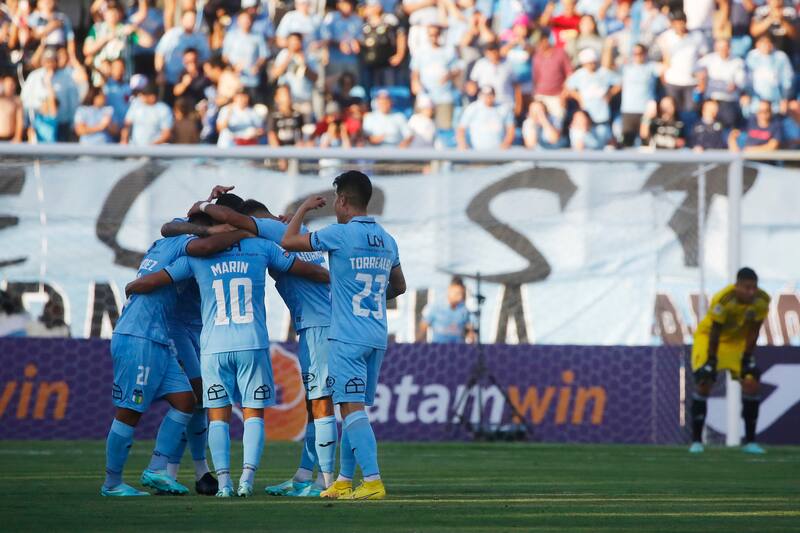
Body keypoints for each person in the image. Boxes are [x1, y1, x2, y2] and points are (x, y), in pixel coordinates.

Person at [128, 203, 328, 498]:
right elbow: (306, 269)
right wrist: (336, 277)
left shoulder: (196, 255)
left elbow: (158, 278)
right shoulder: (262, 247)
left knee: (216, 416)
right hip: (253, 342)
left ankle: (223, 483)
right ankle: (247, 480)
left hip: (213, 346)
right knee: (253, 414)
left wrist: (136, 284)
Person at [191, 197, 338, 498]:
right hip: (317, 323)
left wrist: (203, 204)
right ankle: (303, 477)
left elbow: (225, 219)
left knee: (321, 404)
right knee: (315, 404)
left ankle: (325, 481)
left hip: (319, 325)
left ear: (249, 220)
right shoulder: (289, 230)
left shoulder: (267, 230)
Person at [281, 170, 406, 500]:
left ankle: (374, 481)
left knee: (350, 410)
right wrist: (371, 296)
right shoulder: (388, 239)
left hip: (347, 337)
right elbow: (400, 286)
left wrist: (303, 209)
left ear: (343, 201)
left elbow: (288, 242)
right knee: (354, 410)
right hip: (376, 335)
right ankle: (344, 480)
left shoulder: (339, 234)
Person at [101, 221, 249, 496]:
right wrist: (245, 231)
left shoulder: (163, 243)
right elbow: (202, 243)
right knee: (130, 412)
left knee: (186, 400)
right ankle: (112, 483)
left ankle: (158, 469)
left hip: (159, 338)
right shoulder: (185, 244)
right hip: (139, 336)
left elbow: (172, 228)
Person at [689, 267, 770, 455]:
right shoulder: (724, 299)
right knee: (704, 381)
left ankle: (750, 442)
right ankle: (696, 441)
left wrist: (748, 356)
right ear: (737, 286)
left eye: (754, 287)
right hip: (710, 339)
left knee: (751, 383)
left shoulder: (762, 300)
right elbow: (716, 330)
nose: (751, 292)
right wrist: (711, 360)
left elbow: (755, 330)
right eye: (747, 287)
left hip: (736, 343)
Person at [565, 48, 620, 145]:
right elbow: (568, 87)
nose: (591, 65)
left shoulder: (603, 72)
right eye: (588, 63)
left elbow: (619, 83)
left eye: (593, 62)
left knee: (605, 142)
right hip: (586, 121)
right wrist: (579, 97)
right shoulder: (579, 75)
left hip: (601, 119)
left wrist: (610, 94)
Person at [155, 9, 211, 103]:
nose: (190, 22)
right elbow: (160, 54)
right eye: (188, 19)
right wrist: (160, 73)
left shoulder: (200, 37)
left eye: (193, 19)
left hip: (190, 80)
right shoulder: (171, 35)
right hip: (170, 78)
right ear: (182, 20)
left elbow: (206, 58)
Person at [410, 25, 459, 129]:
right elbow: (415, 72)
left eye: (436, 34)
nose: (433, 37)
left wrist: (448, 75)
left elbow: (457, 69)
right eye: (431, 35)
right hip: (425, 97)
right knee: (421, 128)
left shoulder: (448, 51)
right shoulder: (420, 52)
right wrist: (415, 83)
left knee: (444, 128)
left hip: (444, 96)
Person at [658, 11, 707, 114]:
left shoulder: (697, 37)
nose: (679, 25)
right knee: (673, 112)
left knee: (690, 113)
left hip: (691, 82)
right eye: (676, 22)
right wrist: (663, 76)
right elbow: (664, 59)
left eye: (681, 22)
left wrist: (702, 79)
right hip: (672, 81)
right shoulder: (666, 37)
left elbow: (703, 59)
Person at [697, 38, 746, 129]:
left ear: (729, 48)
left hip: (728, 100)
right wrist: (701, 76)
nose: (722, 50)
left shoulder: (737, 62)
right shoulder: (709, 59)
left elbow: (741, 82)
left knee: (727, 126)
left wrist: (735, 86)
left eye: (725, 47)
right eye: (720, 48)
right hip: (711, 99)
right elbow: (695, 69)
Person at [222, 9, 269, 101]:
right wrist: (233, 67)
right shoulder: (231, 35)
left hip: (252, 80)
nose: (245, 22)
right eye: (242, 20)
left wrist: (257, 66)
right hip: (235, 81)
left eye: (247, 19)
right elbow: (225, 57)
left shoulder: (258, 36)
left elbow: (264, 55)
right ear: (238, 21)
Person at [270, 32, 319, 120]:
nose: (294, 43)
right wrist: (288, 59)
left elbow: (315, 78)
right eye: (292, 41)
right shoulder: (283, 54)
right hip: (286, 101)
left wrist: (304, 63)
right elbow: (275, 74)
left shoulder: (308, 55)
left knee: (305, 127)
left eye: (297, 41)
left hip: (304, 100)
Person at [620, 43, 660, 147]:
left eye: (640, 53)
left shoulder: (651, 67)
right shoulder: (626, 68)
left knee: (646, 141)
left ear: (645, 53)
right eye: (635, 53)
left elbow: (667, 68)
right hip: (628, 110)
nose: (637, 55)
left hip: (646, 111)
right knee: (627, 142)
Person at [743, 34, 794, 115]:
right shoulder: (752, 56)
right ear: (757, 44)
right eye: (763, 43)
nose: (766, 46)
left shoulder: (780, 57)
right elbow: (746, 78)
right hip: (755, 102)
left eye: (768, 43)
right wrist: (745, 94)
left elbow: (787, 80)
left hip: (775, 102)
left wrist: (785, 99)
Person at [418, 276, 475, 343]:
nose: (459, 297)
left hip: (458, 349)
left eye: (461, 293)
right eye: (457, 293)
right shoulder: (435, 307)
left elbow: (470, 331)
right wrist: (417, 346)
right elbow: (423, 328)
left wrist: (471, 339)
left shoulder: (464, 310)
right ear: (449, 290)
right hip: (438, 348)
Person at [456, 85, 515, 150]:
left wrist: (506, 144)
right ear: (480, 95)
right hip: (476, 152)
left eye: (490, 94)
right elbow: (461, 129)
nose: (488, 97)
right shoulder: (472, 108)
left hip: (498, 153)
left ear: (494, 95)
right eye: (485, 95)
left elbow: (510, 129)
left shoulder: (503, 108)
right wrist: (462, 144)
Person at [532, 29, 573, 122]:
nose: (538, 45)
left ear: (545, 40)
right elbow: (536, 78)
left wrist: (564, 94)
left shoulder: (561, 53)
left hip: (557, 97)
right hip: (541, 96)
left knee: (556, 124)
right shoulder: (536, 57)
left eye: (539, 42)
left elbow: (570, 75)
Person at [469, 40, 518, 110]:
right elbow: (472, 83)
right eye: (489, 54)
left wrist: (518, 105)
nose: (492, 56)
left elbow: (516, 86)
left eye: (494, 52)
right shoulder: (480, 64)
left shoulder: (508, 64)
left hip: (505, 104)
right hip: (486, 105)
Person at [0, 75, 24, 143]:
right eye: (7, 84)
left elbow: (20, 121)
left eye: (12, 84)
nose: (10, 87)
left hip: (10, 139)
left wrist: (18, 137)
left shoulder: (17, 101)